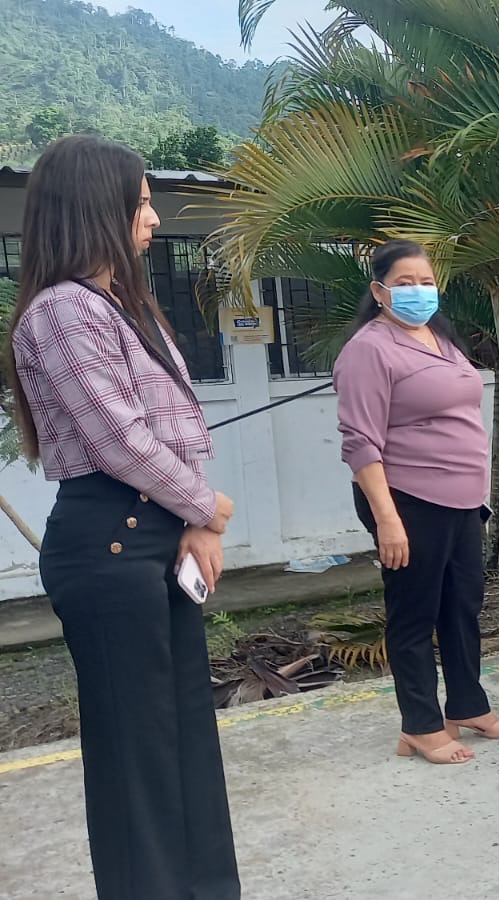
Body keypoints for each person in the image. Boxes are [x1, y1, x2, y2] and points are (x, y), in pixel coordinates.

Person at [5, 134, 240, 898]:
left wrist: (195, 522)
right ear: (94, 208)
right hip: (109, 538)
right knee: (137, 755)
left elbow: (181, 424)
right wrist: (206, 508)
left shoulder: (123, 305)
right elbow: (119, 439)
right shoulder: (63, 310)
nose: (153, 218)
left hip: (157, 531)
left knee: (185, 735)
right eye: (139, 203)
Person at [335, 239, 499, 766]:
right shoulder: (369, 350)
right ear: (379, 291)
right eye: (404, 283)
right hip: (408, 501)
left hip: (461, 501)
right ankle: (419, 725)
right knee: (414, 615)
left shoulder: (439, 337)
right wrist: (387, 520)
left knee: (462, 608)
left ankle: (467, 704)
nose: (418, 291)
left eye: (426, 281)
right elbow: (360, 443)